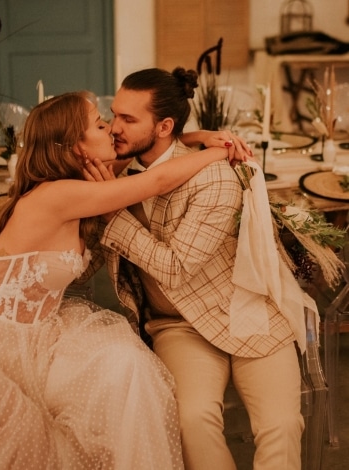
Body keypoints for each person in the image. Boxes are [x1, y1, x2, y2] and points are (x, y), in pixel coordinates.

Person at [0, 90, 244, 469]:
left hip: (42, 330)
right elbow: (157, 180)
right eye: (100, 125)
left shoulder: (78, 181)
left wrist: (197, 137)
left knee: (126, 366)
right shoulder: (60, 194)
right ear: (75, 147)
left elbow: (147, 151)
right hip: (5, 345)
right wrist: (222, 152)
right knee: (125, 374)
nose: (112, 130)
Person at [83, 67, 304, 470]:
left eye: (128, 119)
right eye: (113, 115)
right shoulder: (115, 174)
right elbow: (84, 262)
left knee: (282, 424)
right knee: (190, 420)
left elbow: (175, 268)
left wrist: (111, 213)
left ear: (164, 126)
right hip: (178, 324)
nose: (114, 128)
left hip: (245, 311)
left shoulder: (214, 177)